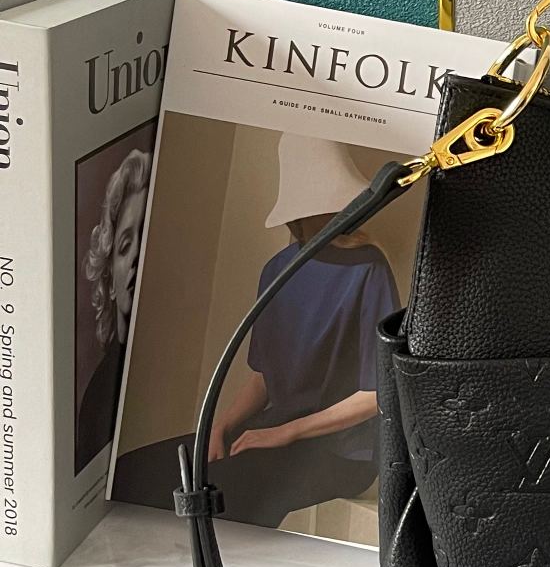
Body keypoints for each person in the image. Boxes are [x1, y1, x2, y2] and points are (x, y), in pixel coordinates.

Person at [112, 136, 399, 529]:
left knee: (218, 492)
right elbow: (265, 375)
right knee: (134, 471)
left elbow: (377, 393)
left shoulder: (368, 268)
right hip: (273, 429)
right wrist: (222, 426)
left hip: (342, 453)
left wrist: (286, 433)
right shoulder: (276, 269)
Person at [76, 147, 151, 472]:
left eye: (144, 239)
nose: (135, 256)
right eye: (124, 246)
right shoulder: (99, 396)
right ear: (109, 278)